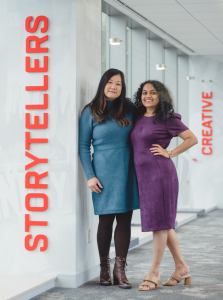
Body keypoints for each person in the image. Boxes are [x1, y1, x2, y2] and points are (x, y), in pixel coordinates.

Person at [130, 80, 198, 291]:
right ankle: (181, 267)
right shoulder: (139, 117)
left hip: (160, 174)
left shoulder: (167, 118)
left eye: (152, 92)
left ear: (161, 96)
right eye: (144, 92)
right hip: (144, 176)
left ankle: (154, 272)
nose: (147, 95)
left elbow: (191, 138)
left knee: (159, 224)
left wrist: (170, 153)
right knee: (163, 223)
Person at [79, 68, 140, 289]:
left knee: (125, 219)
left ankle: (120, 270)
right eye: (110, 82)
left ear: (123, 88)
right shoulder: (90, 111)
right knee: (105, 220)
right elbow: (84, 146)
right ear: (103, 84)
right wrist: (90, 176)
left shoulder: (131, 109)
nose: (114, 86)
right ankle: (104, 268)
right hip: (102, 171)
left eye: (119, 84)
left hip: (128, 168)